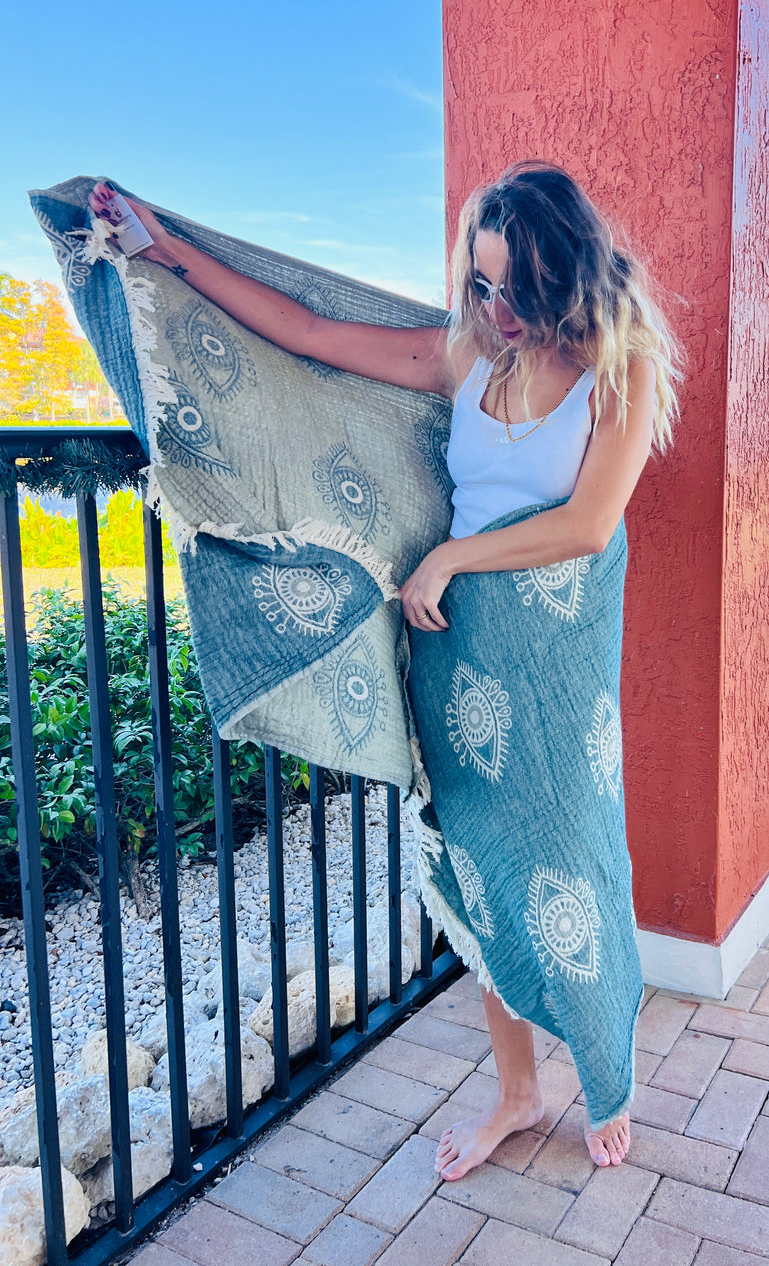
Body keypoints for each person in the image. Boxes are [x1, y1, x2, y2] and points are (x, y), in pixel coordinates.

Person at [89, 161, 682, 1177]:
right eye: (483, 285)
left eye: (518, 287)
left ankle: (605, 1063)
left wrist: (450, 553)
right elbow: (313, 336)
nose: (498, 310)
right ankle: (518, 1092)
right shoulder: (470, 357)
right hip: (457, 655)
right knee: (478, 860)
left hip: (554, 663)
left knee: (575, 851)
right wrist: (169, 252)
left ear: (565, 268)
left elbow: (588, 526)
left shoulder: (619, 368)